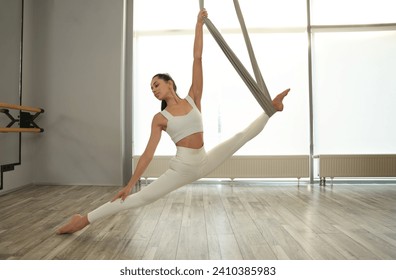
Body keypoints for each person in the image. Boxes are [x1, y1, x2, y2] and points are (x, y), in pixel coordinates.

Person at [56, 9, 289, 235]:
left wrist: (199, 25)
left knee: (240, 137)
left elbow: (198, 58)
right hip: (182, 168)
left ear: (170, 83)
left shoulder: (193, 98)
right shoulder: (160, 118)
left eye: (156, 84)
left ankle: (271, 110)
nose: (154, 90)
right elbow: (147, 154)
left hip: (203, 160)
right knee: (136, 199)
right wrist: (130, 184)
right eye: (151, 89)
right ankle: (83, 220)